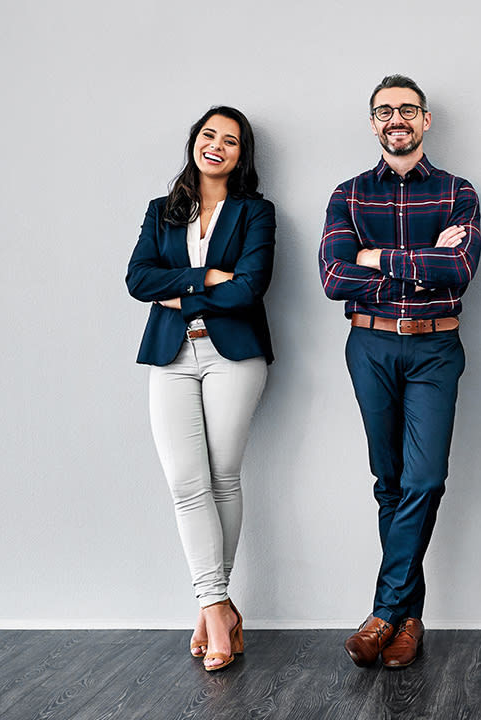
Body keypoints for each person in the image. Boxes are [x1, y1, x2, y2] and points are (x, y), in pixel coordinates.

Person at [319, 74, 481, 670]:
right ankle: (409, 620)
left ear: (426, 119)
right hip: (371, 346)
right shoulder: (349, 194)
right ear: (372, 123)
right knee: (388, 482)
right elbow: (334, 279)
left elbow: (459, 271)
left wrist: (374, 257)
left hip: (436, 349)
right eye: (385, 111)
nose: (397, 119)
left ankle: (383, 612)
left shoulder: (459, 191)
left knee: (425, 479)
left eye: (407, 110)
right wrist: (421, 261)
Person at [126, 106, 275, 672]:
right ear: (195, 142)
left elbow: (249, 289)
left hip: (233, 355)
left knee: (221, 477)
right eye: (209, 135)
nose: (217, 146)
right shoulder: (161, 212)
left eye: (230, 141)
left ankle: (213, 611)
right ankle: (217, 607)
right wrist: (207, 277)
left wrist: (182, 293)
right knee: (185, 483)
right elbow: (138, 278)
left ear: (242, 155)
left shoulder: (256, 212)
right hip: (170, 354)